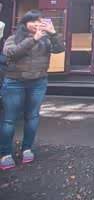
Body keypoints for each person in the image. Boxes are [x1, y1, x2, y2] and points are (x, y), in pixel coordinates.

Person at [1, 10, 64, 170]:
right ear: (25, 23)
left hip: (38, 82)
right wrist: (33, 39)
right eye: (33, 21)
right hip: (15, 82)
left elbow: (59, 49)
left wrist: (53, 33)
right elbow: (11, 54)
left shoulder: (46, 40)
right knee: (9, 119)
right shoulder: (13, 38)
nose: (37, 24)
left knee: (32, 117)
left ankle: (27, 149)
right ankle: (5, 153)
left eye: (39, 21)